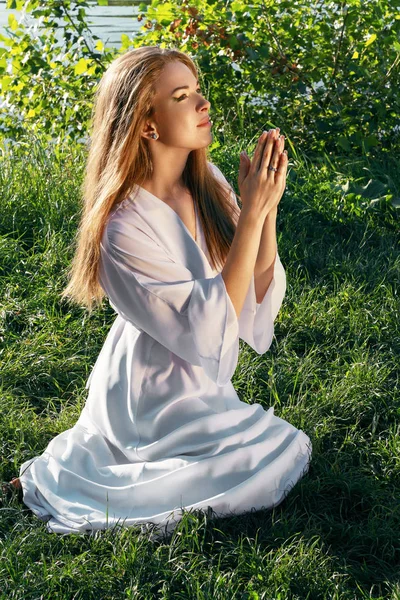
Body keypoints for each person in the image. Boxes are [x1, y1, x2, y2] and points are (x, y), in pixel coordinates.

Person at [3, 46, 312, 537]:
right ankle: (69, 474)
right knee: (245, 465)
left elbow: (251, 287)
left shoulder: (206, 181)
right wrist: (251, 213)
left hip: (201, 379)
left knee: (277, 444)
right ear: (147, 124)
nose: (203, 104)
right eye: (182, 96)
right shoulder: (121, 227)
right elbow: (207, 329)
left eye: (198, 91)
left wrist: (265, 210)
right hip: (150, 387)